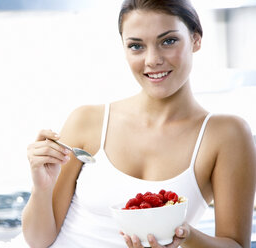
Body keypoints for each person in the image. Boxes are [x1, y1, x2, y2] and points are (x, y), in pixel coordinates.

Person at [22, 0, 256, 247]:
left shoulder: (226, 134)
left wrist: (182, 235)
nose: (152, 60)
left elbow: (235, 245)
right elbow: (38, 241)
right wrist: (41, 188)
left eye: (168, 41)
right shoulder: (87, 121)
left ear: (196, 40)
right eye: (136, 46)